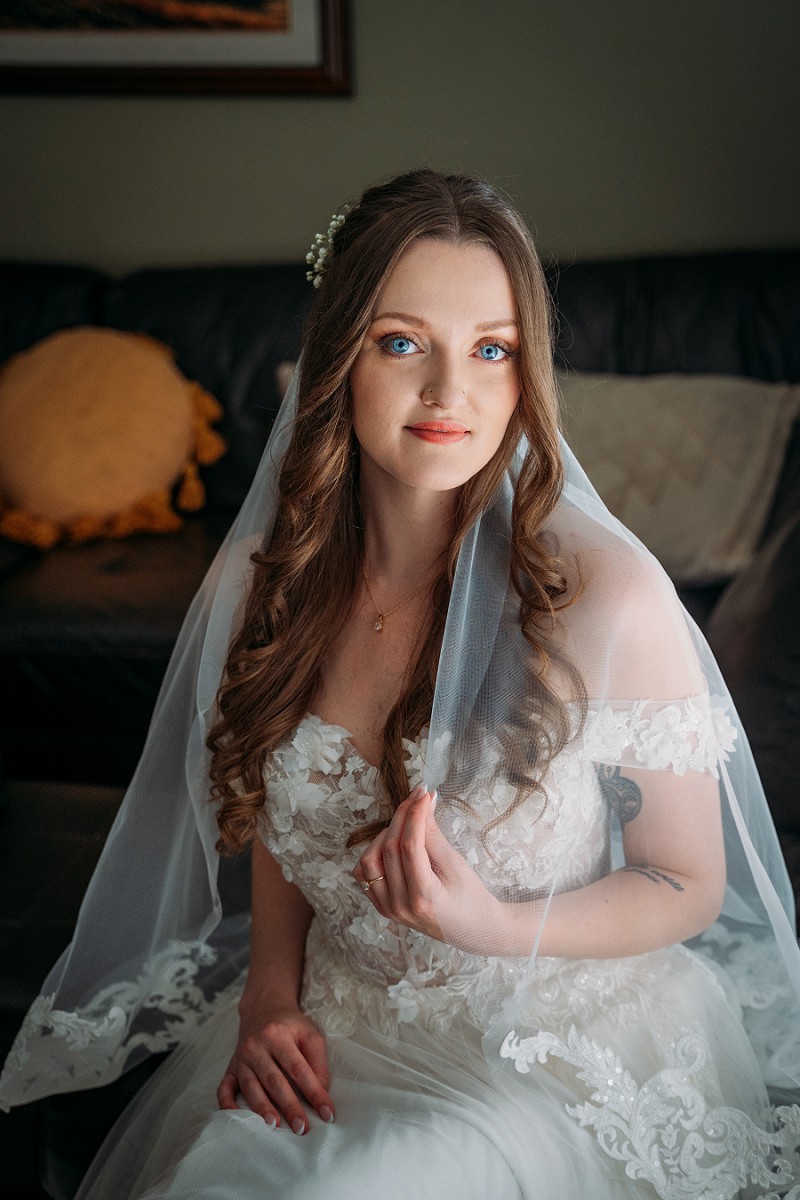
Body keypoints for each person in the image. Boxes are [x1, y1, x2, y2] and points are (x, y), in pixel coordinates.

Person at [2, 169, 800, 1200]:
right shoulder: (263, 583)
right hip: (334, 1025)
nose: (447, 394)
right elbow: (288, 822)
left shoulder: (606, 598)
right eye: (400, 341)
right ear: (338, 354)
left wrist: (496, 927)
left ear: (526, 374)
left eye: (491, 350)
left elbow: (684, 882)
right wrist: (269, 1002)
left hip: (542, 1052)